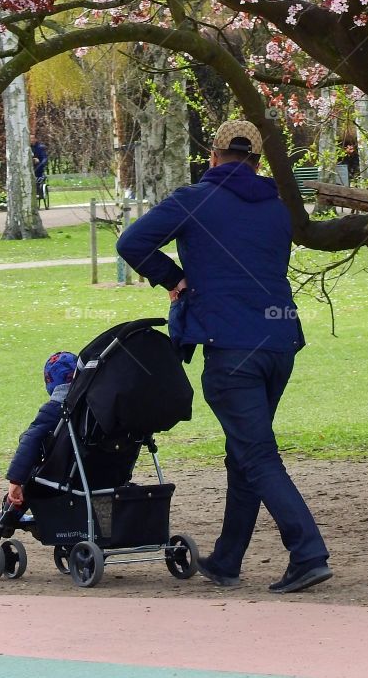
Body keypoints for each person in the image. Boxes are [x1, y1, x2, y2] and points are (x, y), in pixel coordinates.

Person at [116, 119, 331, 594]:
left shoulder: (193, 201)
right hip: (279, 345)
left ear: (212, 157)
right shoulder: (278, 207)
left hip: (230, 351)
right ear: (256, 162)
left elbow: (130, 243)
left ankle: (308, 552)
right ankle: (228, 559)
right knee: (245, 453)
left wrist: (173, 278)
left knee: (256, 454)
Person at [0, 350, 77, 529]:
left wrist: (15, 480)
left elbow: (30, 442)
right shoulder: (94, 409)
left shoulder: (55, 409)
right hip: (97, 473)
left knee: (34, 475)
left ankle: (9, 516)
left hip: (61, 474)